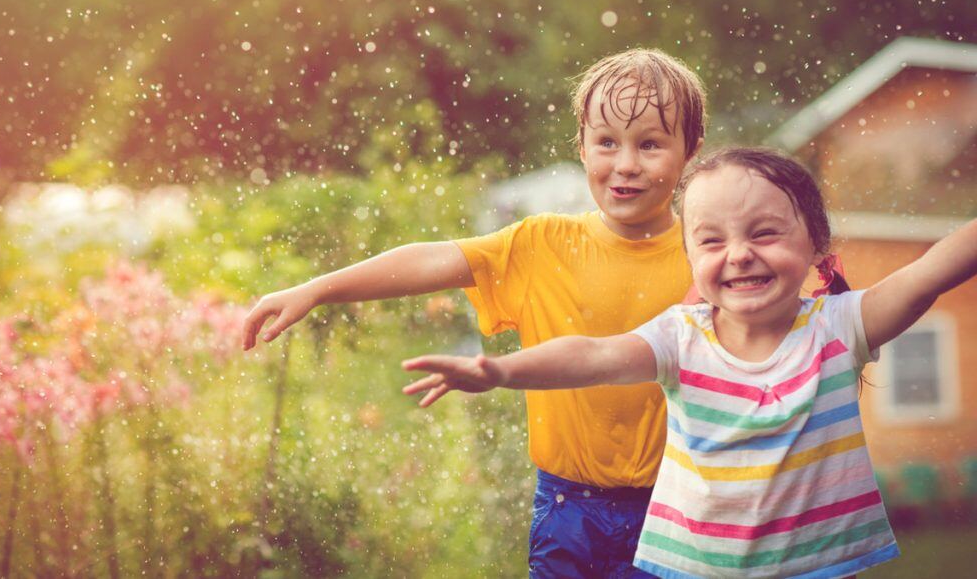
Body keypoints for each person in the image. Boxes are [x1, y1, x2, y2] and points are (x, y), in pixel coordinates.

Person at [403, 146, 977, 578]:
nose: (740, 254)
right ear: (689, 258)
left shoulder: (840, 325)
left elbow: (930, 271)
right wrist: (503, 371)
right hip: (693, 569)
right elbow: (596, 354)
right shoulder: (682, 338)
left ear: (816, 245)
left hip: (816, 568)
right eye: (711, 241)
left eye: (765, 233)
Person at [242, 48, 708, 577]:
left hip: (678, 507)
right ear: (580, 147)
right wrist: (319, 288)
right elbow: (434, 259)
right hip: (567, 510)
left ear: (690, 151)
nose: (625, 164)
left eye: (649, 144)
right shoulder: (542, 244)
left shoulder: (709, 257)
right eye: (606, 142)